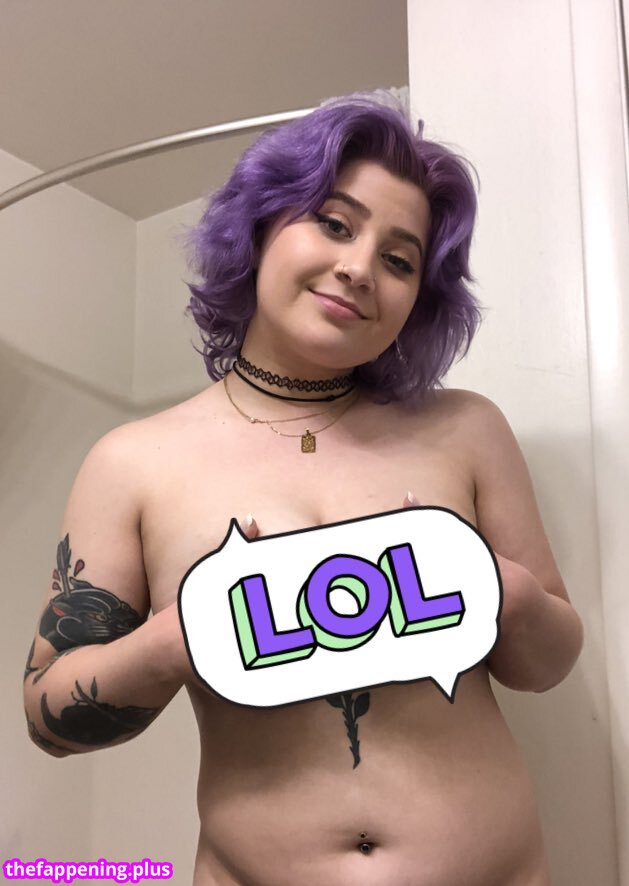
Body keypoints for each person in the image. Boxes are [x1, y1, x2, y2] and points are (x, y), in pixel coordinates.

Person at [23, 90, 583, 885]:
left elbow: (547, 661)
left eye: (399, 260)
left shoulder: (466, 429)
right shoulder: (134, 463)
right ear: (259, 227)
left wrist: (503, 590)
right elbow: (49, 718)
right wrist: (177, 639)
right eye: (333, 223)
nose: (359, 269)